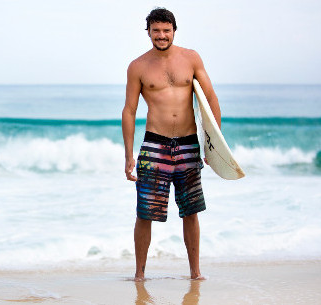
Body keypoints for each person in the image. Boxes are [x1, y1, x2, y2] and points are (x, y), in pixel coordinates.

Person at [121, 7, 221, 282]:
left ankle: (195, 273)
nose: (162, 35)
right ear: (149, 32)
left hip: (189, 145)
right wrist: (129, 155)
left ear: (174, 31)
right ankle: (139, 274)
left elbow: (211, 98)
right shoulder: (138, 66)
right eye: (156, 30)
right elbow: (129, 111)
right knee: (145, 212)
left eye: (166, 30)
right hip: (154, 145)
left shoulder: (191, 58)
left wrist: (213, 145)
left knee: (191, 210)